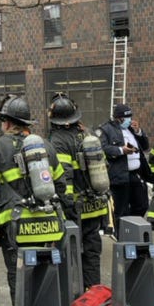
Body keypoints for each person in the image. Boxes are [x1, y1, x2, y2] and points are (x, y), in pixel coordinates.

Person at [0, 96, 66, 302]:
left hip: (15, 226)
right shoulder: (46, 146)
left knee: (18, 274)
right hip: (48, 224)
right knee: (44, 272)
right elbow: (61, 185)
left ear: (7, 123)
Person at [48, 92, 107, 289]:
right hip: (96, 206)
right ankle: (93, 296)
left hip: (75, 209)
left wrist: (67, 209)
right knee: (91, 254)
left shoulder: (58, 141)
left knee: (68, 254)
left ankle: (72, 300)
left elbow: (64, 179)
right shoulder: (87, 135)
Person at [96, 103, 151, 236]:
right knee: (121, 209)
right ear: (117, 118)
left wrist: (139, 132)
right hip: (119, 175)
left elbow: (145, 146)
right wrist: (121, 150)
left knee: (142, 204)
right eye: (126, 118)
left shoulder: (131, 129)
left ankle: (132, 227)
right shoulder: (106, 130)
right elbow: (103, 148)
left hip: (136, 174)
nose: (129, 120)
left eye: (130, 117)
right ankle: (122, 235)